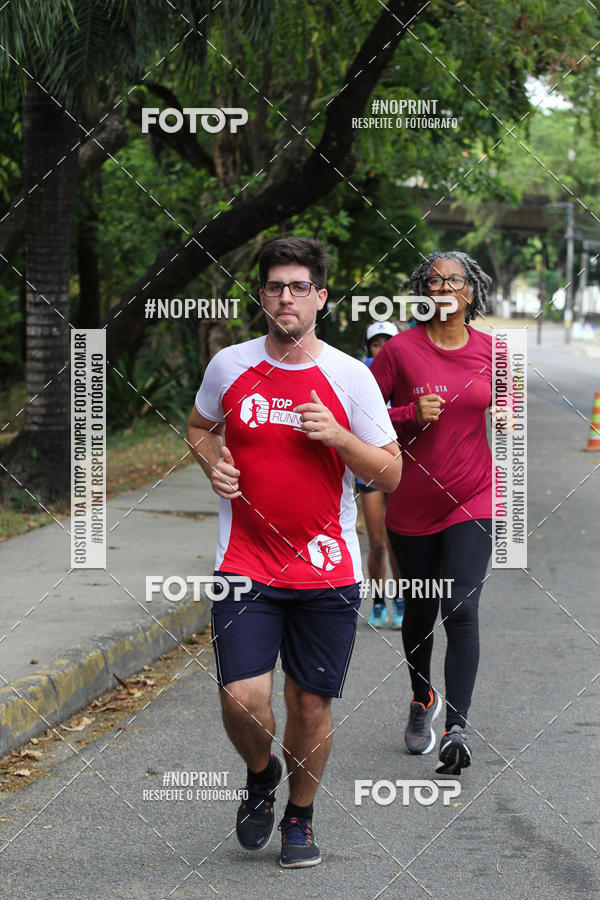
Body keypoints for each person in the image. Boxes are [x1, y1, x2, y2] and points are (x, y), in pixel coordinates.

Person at [187, 237, 401, 869]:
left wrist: (338, 436)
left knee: (309, 703)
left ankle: (300, 819)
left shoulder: (350, 376)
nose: (287, 296)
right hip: (244, 560)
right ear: (262, 296)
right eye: (276, 286)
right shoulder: (229, 366)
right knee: (241, 698)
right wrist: (210, 463)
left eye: (300, 286)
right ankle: (261, 774)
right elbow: (199, 427)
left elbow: (389, 474)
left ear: (321, 298)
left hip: (326, 567)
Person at [371, 250, 508, 776]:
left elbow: (508, 402)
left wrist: (506, 417)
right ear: (425, 292)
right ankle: (421, 696)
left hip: (474, 499)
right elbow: (361, 416)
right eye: (434, 280)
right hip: (411, 506)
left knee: (462, 608)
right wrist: (407, 413)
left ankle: (457, 728)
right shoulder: (401, 351)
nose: (444, 287)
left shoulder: (493, 352)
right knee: (422, 612)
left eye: (455, 280)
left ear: (470, 292)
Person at [357, 322, 405, 629]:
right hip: (370, 468)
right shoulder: (359, 374)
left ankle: (400, 600)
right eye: (377, 343)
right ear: (368, 347)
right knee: (378, 543)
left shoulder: (407, 374)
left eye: (389, 342)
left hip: (401, 467)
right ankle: (377, 600)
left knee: (398, 542)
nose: (383, 348)